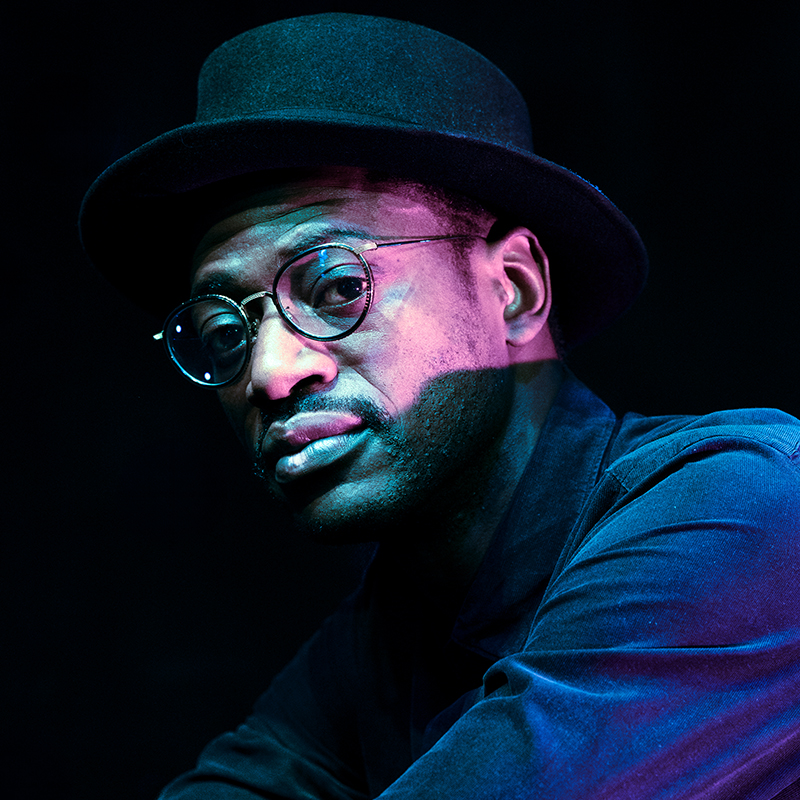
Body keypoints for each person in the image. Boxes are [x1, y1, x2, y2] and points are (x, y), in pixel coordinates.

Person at [79, 13, 800, 800]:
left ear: (513, 290)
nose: (270, 372)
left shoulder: (749, 513)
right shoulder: (382, 641)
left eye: (337, 289)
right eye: (225, 331)